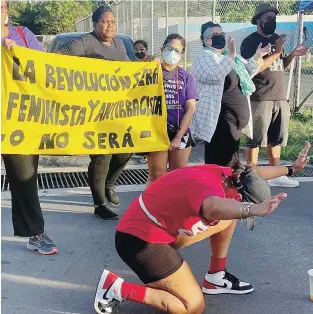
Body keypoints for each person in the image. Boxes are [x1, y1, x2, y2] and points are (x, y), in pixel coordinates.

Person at [93, 142, 311, 314]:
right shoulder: (208, 191)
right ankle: (116, 288)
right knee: (192, 306)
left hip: (155, 228)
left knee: (229, 217)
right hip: (140, 242)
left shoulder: (230, 175)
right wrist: (254, 210)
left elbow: (254, 176)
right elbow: (214, 206)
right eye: (241, 201)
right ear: (238, 192)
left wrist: (293, 168)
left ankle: (216, 276)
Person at [56, 6, 132, 220]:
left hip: (118, 110)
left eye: (113, 22)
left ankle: (109, 185)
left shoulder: (118, 43)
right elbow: (56, 59)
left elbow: (130, 70)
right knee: (102, 155)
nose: (110, 26)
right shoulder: (84, 42)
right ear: (95, 23)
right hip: (93, 111)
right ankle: (99, 204)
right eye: (105, 21)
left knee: (126, 150)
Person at [1, 1, 57, 255]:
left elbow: (47, 66)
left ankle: (35, 233)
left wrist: (21, 55)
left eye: (2, 5)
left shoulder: (23, 35)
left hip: (18, 120)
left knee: (25, 178)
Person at [241, 3, 310, 188]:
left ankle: (276, 173)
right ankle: (251, 174)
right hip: (260, 97)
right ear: (258, 21)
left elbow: (280, 65)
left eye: (274, 18)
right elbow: (252, 69)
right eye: (268, 18)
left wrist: (292, 54)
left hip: (279, 96)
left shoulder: (276, 39)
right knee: (255, 139)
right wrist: (277, 50)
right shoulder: (250, 42)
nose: (272, 21)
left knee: (276, 138)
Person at [192, 22, 270, 166]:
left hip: (235, 122)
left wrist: (258, 55)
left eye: (221, 34)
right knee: (220, 165)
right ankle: (218, 188)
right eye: (214, 35)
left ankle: (228, 188)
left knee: (231, 164)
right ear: (205, 40)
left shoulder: (229, 56)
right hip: (220, 121)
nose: (219, 37)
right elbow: (213, 76)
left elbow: (247, 73)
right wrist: (231, 57)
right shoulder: (203, 57)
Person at [147, 33, 197, 185]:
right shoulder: (150, 72)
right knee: (157, 175)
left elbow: (190, 109)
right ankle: (151, 207)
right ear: (162, 49)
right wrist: (147, 62)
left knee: (178, 177)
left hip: (179, 132)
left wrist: (178, 136)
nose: (172, 52)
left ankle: (174, 208)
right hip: (156, 132)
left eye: (177, 50)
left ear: (182, 55)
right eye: (169, 48)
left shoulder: (187, 77)